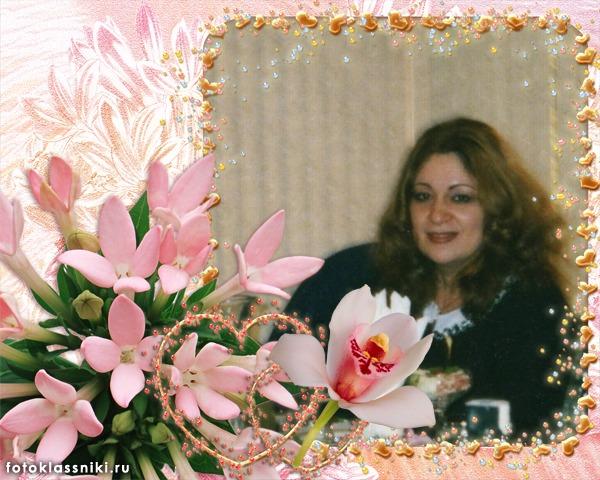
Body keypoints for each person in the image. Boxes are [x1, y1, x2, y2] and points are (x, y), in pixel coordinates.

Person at [284, 117, 569, 436]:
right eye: (422, 196)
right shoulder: (348, 276)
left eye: (460, 197)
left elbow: (539, 431)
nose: (436, 214)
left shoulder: (533, 305)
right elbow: (277, 386)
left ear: (497, 209)